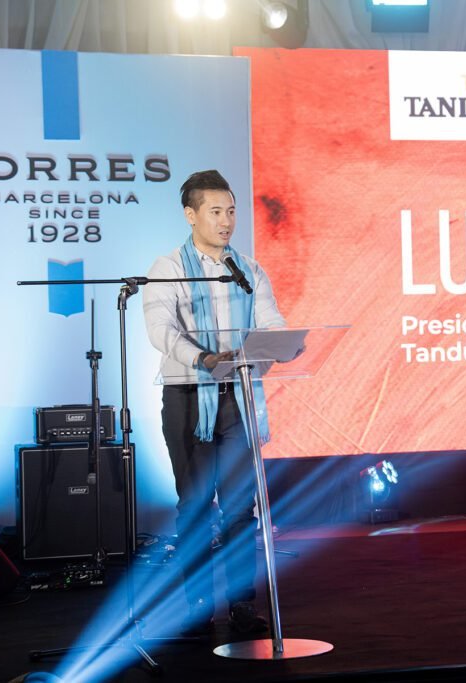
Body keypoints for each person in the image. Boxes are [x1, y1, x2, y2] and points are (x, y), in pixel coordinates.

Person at [143, 169, 286, 636]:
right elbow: (160, 330)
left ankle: (242, 604)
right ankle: (197, 605)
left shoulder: (247, 270)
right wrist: (202, 358)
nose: (226, 221)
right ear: (191, 215)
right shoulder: (169, 268)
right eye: (216, 211)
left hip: (237, 399)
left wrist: (280, 343)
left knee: (242, 507)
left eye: (231, 211)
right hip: (188, 398)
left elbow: (270, 321)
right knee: (196, 507)